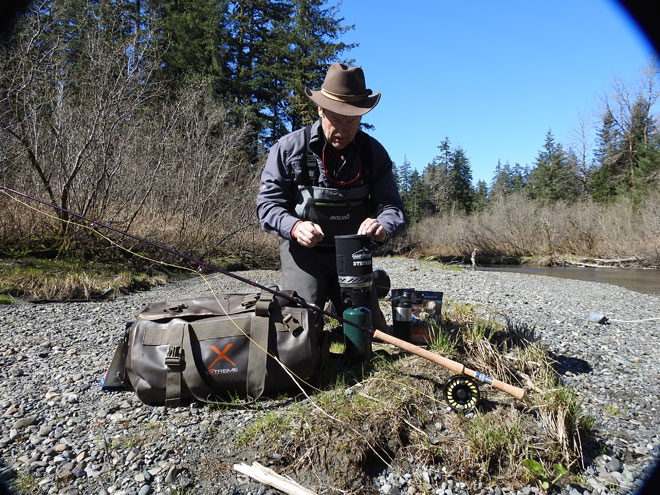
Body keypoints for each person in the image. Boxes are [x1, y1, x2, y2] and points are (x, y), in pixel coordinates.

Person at [256, 62, 405, 335]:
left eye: (352, 121)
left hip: (353, 253)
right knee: (300, 332)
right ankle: (323, 300)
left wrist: (384, 225)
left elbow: (392, 206)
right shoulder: (289, 149)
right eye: (336, 118)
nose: (343, 129)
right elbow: (267, 206)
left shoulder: (374, 154)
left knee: (367, 331)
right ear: (320, 110)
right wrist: (294, 226)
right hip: (303, 253)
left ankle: (350, 298)